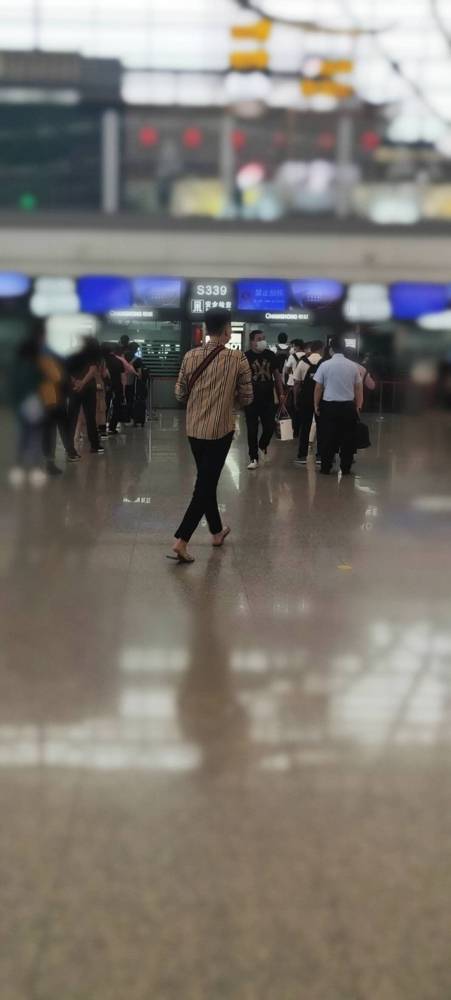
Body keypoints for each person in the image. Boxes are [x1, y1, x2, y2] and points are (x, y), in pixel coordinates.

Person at [170, 307, 252, 564]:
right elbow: (247, 397)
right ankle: (181, 540)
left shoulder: (190, 356)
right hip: (220, 431)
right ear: (227, 329)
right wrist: (229, 399)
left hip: (194, 429)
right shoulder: (237, 358)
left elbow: (179, 394)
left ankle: (217, 532)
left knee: (207, 480)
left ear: (206, 328)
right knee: (204, 485)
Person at [313, 335, 363, 476]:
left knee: (327, 437)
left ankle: (326, 467)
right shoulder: (353, 366)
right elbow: (359, 388)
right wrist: (358, 406)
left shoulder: (325, 365)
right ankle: (346, 467)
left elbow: (318, 388)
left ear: (331, 349)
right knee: (348, 438)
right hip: (348, 407)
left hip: (329, 407)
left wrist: (316, 405)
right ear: (344, 348)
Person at [245, 330, 285, 470]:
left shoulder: (270, 355)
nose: (262, 341)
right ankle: (253, 457)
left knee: (270, 426)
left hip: (268, 397)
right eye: (259, 339)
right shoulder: (246, 357)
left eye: (263, 338)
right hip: (251, 398)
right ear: (252, 341)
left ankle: (262, 445)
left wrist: (281, 393)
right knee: (252, 429)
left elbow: (277, 375)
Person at [66, 337, 104, 456]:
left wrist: (75, 382)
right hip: (89, 389)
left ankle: (70, 448)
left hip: (74, 389)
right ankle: (94, 445)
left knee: (72, 418)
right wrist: (83, 383)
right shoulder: (93, 355)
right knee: (90, 417)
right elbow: (92, 371)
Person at [293, 340, 324, 467]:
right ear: (321, 349)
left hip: (305, 399)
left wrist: (295, 399)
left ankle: (302, 455)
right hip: (321, 399)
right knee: (321, 427)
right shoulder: (325, 363)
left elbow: (296, 383)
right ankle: (320, 455)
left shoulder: (302, 362)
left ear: (311, 349)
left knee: (305, 426)